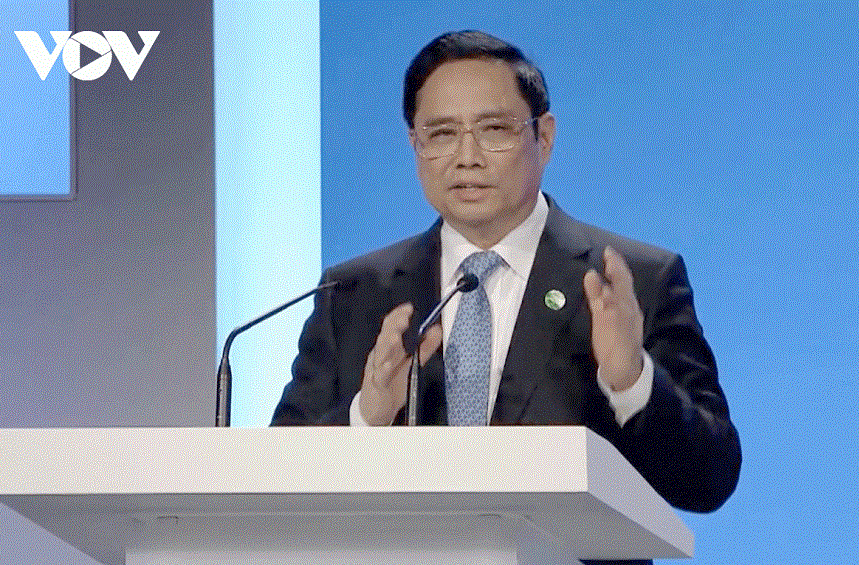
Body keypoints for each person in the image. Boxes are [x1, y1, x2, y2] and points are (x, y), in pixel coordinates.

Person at [272, 30, 740, 563]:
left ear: (545, 137)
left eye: (493, 130)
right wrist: (368, 416)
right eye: (442, 134)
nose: (466, 157)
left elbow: (710, 480)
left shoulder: (632, 281)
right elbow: (278, 477)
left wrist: (631, 381)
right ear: (415, 146)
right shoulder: (354, 293)